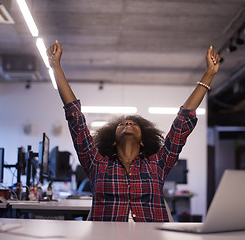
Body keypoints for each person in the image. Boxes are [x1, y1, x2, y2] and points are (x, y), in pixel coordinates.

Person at [46, 40, 220, 222]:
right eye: (122, 124)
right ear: (113, 140)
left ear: (143, 140)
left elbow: (182, 123)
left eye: (133, 124)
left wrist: (208, 75)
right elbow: (75, 118)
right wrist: (56, 66)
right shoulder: (96, 164)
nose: (127, 123)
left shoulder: (158, 164)